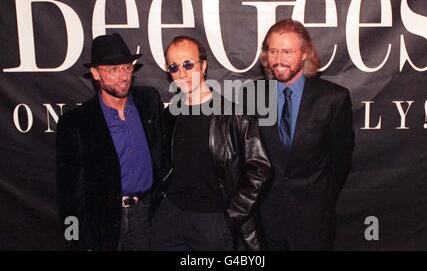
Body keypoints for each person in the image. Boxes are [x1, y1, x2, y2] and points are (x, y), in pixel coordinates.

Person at [150, 36, 271, 250]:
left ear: (203, 65)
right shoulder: (169, 116)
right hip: (169, 218)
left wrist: (231, 216)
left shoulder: (236, 115)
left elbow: (260, 170)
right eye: (174, 67)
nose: (182, 73)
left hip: (213, 221)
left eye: (188, 64)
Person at [56, 33, 164, 250]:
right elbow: (69, 193)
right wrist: (76, 240)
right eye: (113, 70)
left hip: (145, 214)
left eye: (126, 67)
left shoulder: (149, 102)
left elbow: (162, 154)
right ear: (96, 74)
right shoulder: (76, 122)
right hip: (101, 219)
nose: (123, 76)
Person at [258, 19, 355, 250]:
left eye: (288, 51)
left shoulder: (333, 99)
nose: (278, 59)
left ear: (304, 54)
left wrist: (319, 200)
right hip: (266, 221)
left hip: (314, 221)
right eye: (273, 51)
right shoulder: (252, 95)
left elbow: (340, 162)